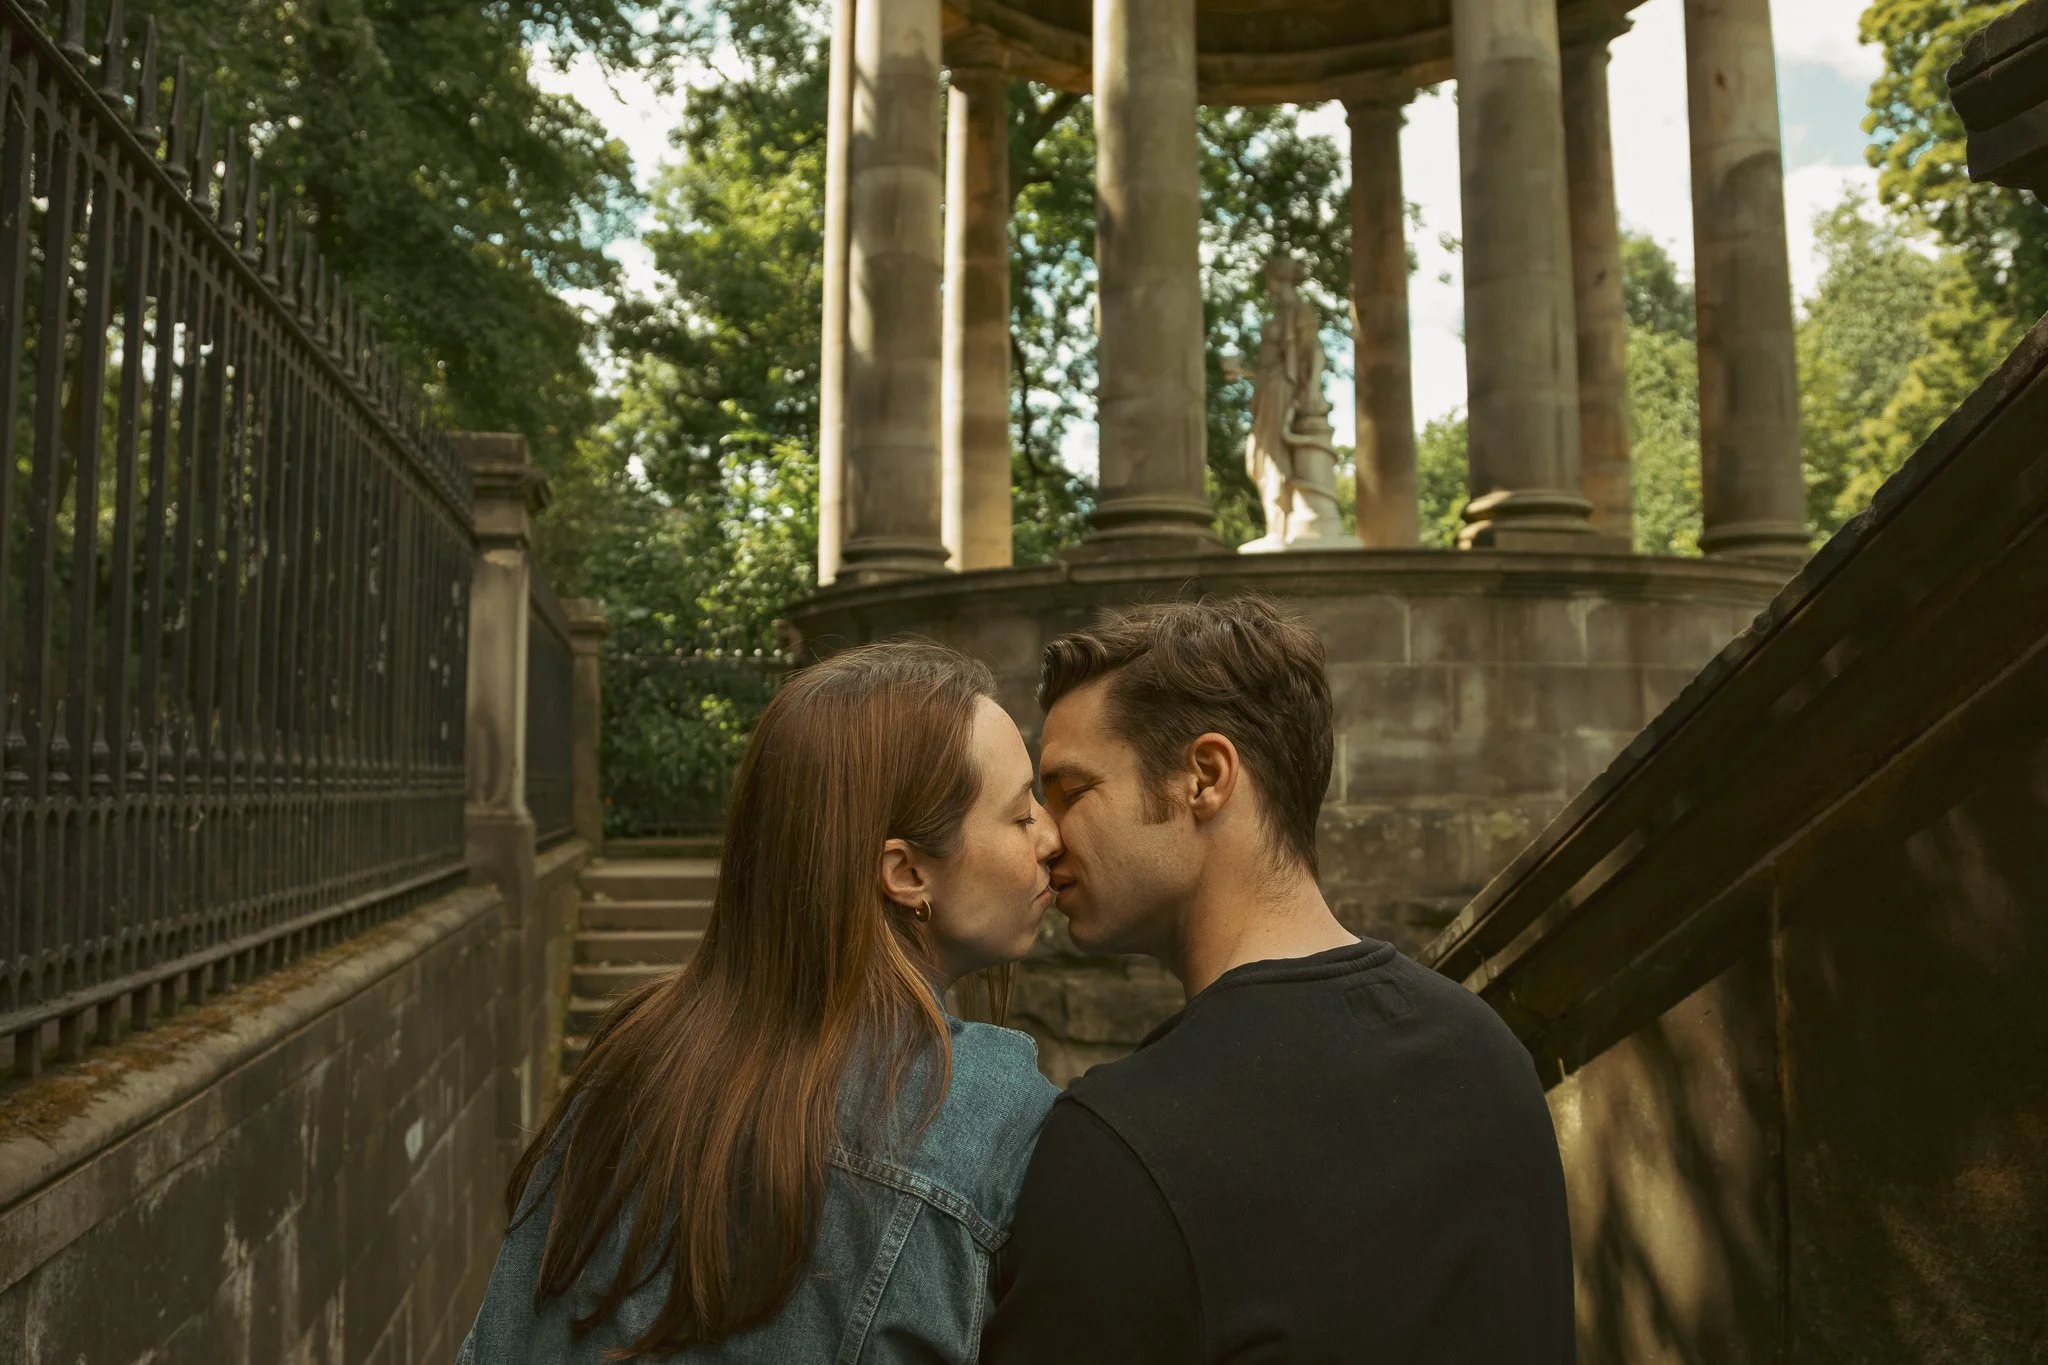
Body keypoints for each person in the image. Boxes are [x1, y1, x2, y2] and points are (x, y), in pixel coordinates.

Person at [982, 595, 1575, 1363]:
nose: (1049, 834)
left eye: (1072, 790)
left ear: (1205, 775)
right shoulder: (1488, 1050)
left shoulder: (1120, 1142)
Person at [459, 640, 1064, 1363]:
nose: (1051, 836)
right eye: (1021, 814)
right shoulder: (986, 1111)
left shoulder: (635, 1056)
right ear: (905, 873)